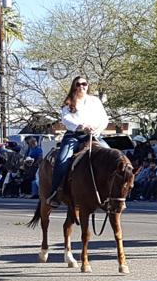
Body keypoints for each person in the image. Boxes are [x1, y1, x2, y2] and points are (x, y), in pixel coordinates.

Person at [47, 76, 110, 207]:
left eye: (84, 84)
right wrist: (82, 126)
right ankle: (55, 192)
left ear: (88, 85)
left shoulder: (95, 101)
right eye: (78, 84)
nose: (82, 86)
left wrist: (96, 129)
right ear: (74, 86)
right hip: (74, 136)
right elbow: (66, 119)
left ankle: (110, 193)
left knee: (110, 155)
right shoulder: (68, 102)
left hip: (93, 135)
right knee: (62, 159)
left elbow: (104, 119)